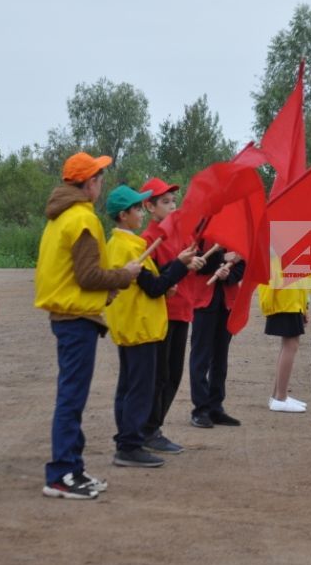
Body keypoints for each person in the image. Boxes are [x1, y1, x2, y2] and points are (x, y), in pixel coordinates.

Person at [35, 152, 141, 500]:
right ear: (88, 183)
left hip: (72, 315)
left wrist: (108, 288)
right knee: (71, 397)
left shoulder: (61, 216)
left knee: (73, 395)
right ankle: (62, 473)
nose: (101, 183)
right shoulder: (81, 219)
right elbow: (88, 275)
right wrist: (124, 276)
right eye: (98, 178)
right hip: (76, 319)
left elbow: (76, 275)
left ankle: (72, 469)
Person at [104, 184, 198, 468]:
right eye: (136, 209)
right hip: (140, 327)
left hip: (131, 326)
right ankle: (130, 444)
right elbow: (155, 287)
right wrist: (179, 267)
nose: (140, 214)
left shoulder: (119, 244)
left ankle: (127, 440)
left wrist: (177, 264)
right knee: (140, 389)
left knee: (128, 386)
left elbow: (152, 283)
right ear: (123, 215)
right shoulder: (129, 247)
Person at [140, 177, 201, 454]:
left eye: (173, 201)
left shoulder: (182, 233)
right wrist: (178, 268)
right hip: (162, 314)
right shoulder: (149, 239)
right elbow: (153, 280)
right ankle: (149, 429)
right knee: (159, 375)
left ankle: (154, 427)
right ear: (149, 206)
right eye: (165, 202)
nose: (171, 206)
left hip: (183, 309)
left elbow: (191, 261)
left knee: (174, 374)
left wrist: (197, 262)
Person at [188, 245, 245, 428]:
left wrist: (229, 274)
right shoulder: (201, 227)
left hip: (227, 300)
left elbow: (242, 262)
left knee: (220, 357)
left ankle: (216, 406)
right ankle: (201, 408)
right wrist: (221, 260)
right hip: (203, 299)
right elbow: (194, 260)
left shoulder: (236, 232)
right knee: (201, 356)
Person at [259, 281, 309, 413]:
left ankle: (277, 395)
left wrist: (304, 306)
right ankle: (280, 397)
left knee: (290, 344)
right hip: (285, 299)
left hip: (290, 298)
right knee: (290, 345)